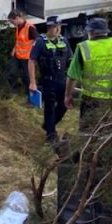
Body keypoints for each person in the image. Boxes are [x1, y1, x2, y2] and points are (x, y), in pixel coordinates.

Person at [58, 16, 112, 224]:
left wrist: (68, 96)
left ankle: (90, 177)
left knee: (89, 141)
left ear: (90, 32)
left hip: (92, 104)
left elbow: (71, 77)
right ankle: (111, 176)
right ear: (107, 32)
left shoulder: (84, 49)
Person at [28, 16, 71, 144]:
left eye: (59, 27)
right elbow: (31, 61)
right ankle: (51, 134)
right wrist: (33, 82)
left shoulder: (64, 40)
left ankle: (48, 124)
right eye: (54, 27)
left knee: (64, 105)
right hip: (48, 80)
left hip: (62, 79)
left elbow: (70, 59)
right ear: (49, 27)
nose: (57, 29)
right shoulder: (40, 42)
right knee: (50, 107)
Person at [6, 10, 38, 92]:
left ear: (17, 18)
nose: (12, 23)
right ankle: (12, 91)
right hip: (17, 55)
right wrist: (14, 49)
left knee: (27, 77)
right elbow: (19, 40)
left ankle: (30, 94)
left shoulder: (30, 28)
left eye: (12, 21)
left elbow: (37, 41)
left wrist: (34, 55)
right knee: (11, 73)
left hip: (27, 57)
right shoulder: (18, 27)